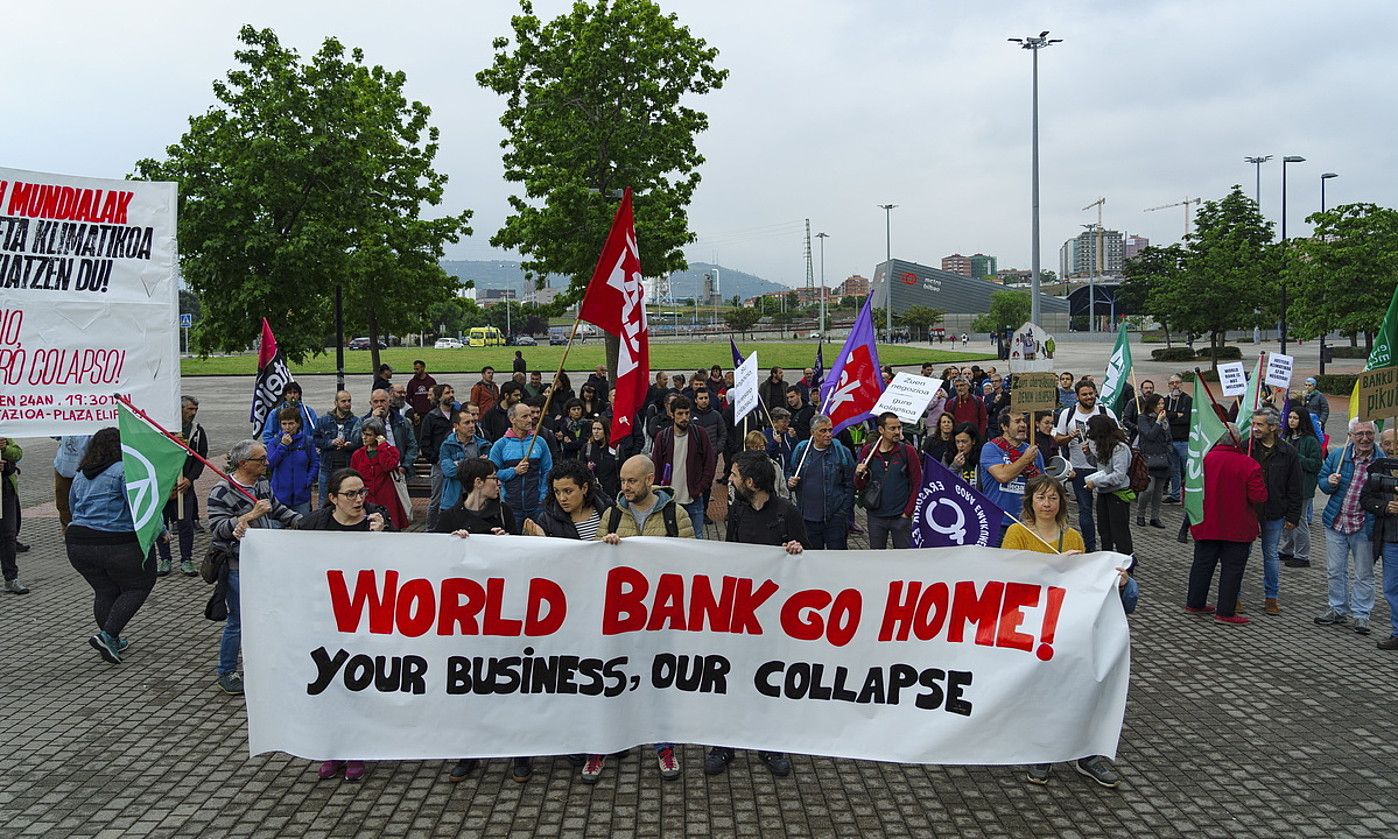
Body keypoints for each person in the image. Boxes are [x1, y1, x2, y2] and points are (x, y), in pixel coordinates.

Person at [1005, 477, 1136, 788]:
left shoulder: (1072, 536)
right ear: (1030, 502)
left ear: (1061, 503)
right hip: (1032, 626)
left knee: (1076, 687)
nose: (1047, 504)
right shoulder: (1017, 533)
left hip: (1068, 627)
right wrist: (1052, 567)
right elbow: (1009, 577)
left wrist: (1112, 578)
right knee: (1040, 689)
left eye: (1053, 498)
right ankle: (1042, 750)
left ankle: (1086, 752)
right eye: (1041, 498)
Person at [706, 451, 808, 778]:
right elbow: (733, 552)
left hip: (776, 615)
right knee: (732, 675)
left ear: (750, 482)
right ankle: (724, 743)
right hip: (742, 611)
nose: (730, 480)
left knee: (768, 678)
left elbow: (811, 559)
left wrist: (797, 551)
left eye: (734, 475)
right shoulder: (736, 510)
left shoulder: (787, 512)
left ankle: (769, 744)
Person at [594, 455, 693, 782]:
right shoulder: (611, 516)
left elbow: (691, 559)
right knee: (611, 680)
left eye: (632, 481)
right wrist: (606, 548)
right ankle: (602, 745)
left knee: (658, 682)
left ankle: (663, 745)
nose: (625, 487)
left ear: (650, 480)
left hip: (659, 616)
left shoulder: (674, 515)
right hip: (619, 616)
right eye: (622, 481)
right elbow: (593, 561)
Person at [298, 468, 389, 782]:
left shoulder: (376, 520)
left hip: (363, 619)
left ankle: (356, 750)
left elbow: (398, 565)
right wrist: (244, 530)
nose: (359, 499)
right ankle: (330, 750)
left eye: (362, 492)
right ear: (332, 498)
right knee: (328, 688)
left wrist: (381, 538)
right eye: (351, 494)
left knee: (357, 686)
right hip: (324, 619)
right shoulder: (312, 525)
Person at [208, 439, 304, 694]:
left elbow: (277, 510)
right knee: (239, 620)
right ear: (243, 464)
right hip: (237, 566)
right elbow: (218, 529)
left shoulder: (261, 484)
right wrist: (249, 516)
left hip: (265, 560)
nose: (267, 463)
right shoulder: (221, 491)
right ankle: (226, 671)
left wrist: (305, 524)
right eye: (261, 459)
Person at [64, 428, 157, 660]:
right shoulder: (125, 471)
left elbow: (73, 508)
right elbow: (140, 508)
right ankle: (107, 635)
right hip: (116, 542)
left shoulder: (80, 474)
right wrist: (160, 530)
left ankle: (112, 640)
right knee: (139, 586)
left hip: (77, 543)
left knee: (105, 589)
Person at [1186, 426, 1268, 626]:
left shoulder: (1203, 461)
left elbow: (1190, 489)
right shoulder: (1249, 464)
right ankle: (1225, 611)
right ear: (1237, 440)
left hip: (1206, 523)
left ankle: (1195, 602)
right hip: (1237, 526)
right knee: (1232, 569)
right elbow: (1259, 496)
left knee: (1202, 565)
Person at [1315, 419, 1378, 633]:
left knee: (1364, 573)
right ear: (1350, 436)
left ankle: (1361, 614)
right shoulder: (1338, 455)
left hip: (1364, 526)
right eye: (1359, 434)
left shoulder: (1381, 461)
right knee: (1335, 570)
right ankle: (1337, 608)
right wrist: (1328, 482)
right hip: (1336, 522)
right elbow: (1322, 480)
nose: (1364, 438)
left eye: (1369, 433)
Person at [1245, 407, 1303, 616]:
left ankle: (1271, 597)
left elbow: (1295, 486)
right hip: (1249, 511)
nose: (1255, 429)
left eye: (1259, 424)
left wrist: (1293, 516)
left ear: (1273, 426)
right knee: (1243, 554)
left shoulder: (1288, 452)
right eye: (1253, 424)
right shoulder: (1247, 447)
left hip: (1275, 511)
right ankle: (1235, 596)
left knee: (1270, 554)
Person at [1053, 379, 1120, 553]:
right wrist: (1069, 437)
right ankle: (1090, 547)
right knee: (1085, 509)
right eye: (1084, 394)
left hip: (1104, 467)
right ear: (1077, 396)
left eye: (1091, 394)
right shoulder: (1068, 414)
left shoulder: (1106, 411)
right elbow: (1058, 439)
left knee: (1108, 511)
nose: (1089, 397)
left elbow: (1119, 435)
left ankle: (1111, 547)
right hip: (1079, 468)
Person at [855, 412, 923, 550]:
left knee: (903, 561)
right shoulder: (868, 451)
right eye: (892, 428)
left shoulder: (908, 451)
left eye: (899, 427)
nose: (897, 431)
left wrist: (907, 513)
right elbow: (860, 486)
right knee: (878, 560)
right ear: (881, 430)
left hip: (900, 517)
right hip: (876, 517)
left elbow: (918, 483)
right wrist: (858, 474)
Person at [651, 396, 716, 540]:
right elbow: (656, 467)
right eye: (680, 414)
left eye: (687, 413)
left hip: (694, 500)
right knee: (672, 539)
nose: (684, 417)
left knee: (697, 537)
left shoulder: (700, 434)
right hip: (670, 501)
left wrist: (700, 487)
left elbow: (709, 464)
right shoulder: (663, 437)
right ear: (672, 414)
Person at [157, 396, 208, 577]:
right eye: (189, 409)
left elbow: (201, 457)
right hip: (164, 485)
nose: (193, 413)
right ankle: (165, 559)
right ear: (180, 409)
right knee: (161, 523)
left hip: (184, 486)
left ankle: (186, 559)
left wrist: (190, 478)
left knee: (185, 523)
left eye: (195, 410)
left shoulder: (197, 431)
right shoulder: (162, 428)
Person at [788, 415, 855, 549]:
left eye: (830, 430)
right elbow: (790, 472)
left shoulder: (842, 453)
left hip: (834, 518)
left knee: (835, 559)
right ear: (812, 433)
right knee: (812, 558)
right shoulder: (802, 451)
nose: (828, 434)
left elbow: (850, 484)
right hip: (808, 518)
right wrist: (790, 483)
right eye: (823, 431)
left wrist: (843, 513)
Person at [978, 409, 1045, 531]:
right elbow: (1002, 476)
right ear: (1004, 426)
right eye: (1017, 421)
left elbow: (1041, 484)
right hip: (997, 521)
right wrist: (1025, 459)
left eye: (1024, 421)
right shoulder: (991, 448)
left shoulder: (1033, 451)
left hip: (1026, 521)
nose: (1023, 425)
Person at [489, 402, 554, 526]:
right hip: (511, 506)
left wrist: (543, 495)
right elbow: (492, 474)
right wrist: (514, 471)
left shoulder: (540, 442)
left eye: (530, 416)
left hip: (537, 506)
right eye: (525, 417)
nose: (530, 420)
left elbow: (548, 470)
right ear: (512, 419)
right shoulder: (500, 445)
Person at [1360, 450, 1398, 650]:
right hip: (1391, 539)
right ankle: (1397, 633)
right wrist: (1383, 506)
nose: (1391, 449)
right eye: (1387, 444)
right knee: (1392, 588)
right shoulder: (1378, 469)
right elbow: (1365, 499)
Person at [1083, 413, 1134, 560]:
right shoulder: (1104, 446)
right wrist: (1088, 455)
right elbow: (1101, 467)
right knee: (1104, 531)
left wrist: (1095, 483)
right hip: (1104, 494)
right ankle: (1106, 561)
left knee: (1120, 533)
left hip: (1117, 495)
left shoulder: (1120, 448)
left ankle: (1127, 564)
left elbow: (1118, 475)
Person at [1280, 406, 1323, 569]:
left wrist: (1296, 456)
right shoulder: (1288, 438)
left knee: (1300, 520)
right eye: (1290, 417)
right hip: (1287, 486)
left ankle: (1302, 555)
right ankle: (1287, 549)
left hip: (1303, 487)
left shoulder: (1311, 441)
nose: (1291, 421)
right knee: (1288, 520)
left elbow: (1316, 465)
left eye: (1295, 418)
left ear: (1302, 420)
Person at [525, 458, 610, 540]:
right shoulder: (547, 520)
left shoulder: (607, 509)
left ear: (584, 488)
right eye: (557, 492)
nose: (562, 498)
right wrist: (541, 538)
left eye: (568, 491)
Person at [350, 419, 406, 530]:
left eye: (368, 435)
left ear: (378, 436)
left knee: (389, 528)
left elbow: (388, 466)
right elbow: (353, 476)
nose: (364, 437)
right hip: (366, 498)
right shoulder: (358, 454)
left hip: (386, 496)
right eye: (363, 434)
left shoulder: (391, 451)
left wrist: (382, 448)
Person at [419, 384, 460, 531]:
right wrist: (435, 459)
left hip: (458, 462)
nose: (451, 395)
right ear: (439, 397)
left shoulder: (458, 414)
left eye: (452, 391)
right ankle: (430, 529)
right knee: (436, 498)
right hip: (439, 464)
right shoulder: (431, 417)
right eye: (447, 393)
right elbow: (425, 442)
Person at [267, 405, 318, 516]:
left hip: (301, 495)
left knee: (302, 526)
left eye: (291, 423)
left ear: (298, 424)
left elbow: (314, 463)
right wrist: (282, 446)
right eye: (284, 424)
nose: (287, 427)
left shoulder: (307, 442)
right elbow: (270, 464)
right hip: (280, 495)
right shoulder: (274, 443)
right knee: (278, 527)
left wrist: (308, 480)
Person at [313, 391, 362, 507]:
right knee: (324, 501)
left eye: (349, 401)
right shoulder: (323, 421)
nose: (347, 404)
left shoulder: (356, 422)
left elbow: (361, 443)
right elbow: (315, 440)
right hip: (327, 468)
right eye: (343, 401)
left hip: (347, 467)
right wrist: (330, 442)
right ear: (336, 403)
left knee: (348, 500)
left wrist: (350, 445)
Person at [439, 408, 491, 512]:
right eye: (467, 423)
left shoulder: (484, 445)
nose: (472, 425)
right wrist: (476, 463)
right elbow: (449, 471)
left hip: (478, 501)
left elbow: (487, 471)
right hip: (453, 500)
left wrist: (460, 465)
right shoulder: (447, 445)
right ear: (456, 426)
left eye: (473, 422)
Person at [362, 388, 419, 478]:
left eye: (383, 401)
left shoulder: (402, 421)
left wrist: (405, 466)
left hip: (398, 470)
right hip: (373, 471)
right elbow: (355, 441)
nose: (379, 405)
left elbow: (412, 445)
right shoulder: (363, 421)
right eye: (376, 402)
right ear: (371, 404)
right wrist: (372, 420)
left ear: (389, 402)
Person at [1134, 394, 1171, 529]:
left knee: (1158, 491)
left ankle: (1155, 517)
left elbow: (1168, 436)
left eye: (1162, 404)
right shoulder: (1143, 418)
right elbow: (1150, 435)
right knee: (1148, 489)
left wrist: (1169, 450)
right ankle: (1140, 514)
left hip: (1162, 458)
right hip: (1148, 458)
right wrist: (1158, 422)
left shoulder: (1164, 419)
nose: (1161, 407)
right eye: (1159, 404)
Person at [52, 434, 93, 534]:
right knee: (63, 503)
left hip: (86, 469)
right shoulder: (65, 420)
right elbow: (54, 434)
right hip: (64, 468)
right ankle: (67, 531)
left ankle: (86, 530)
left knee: (87, 503)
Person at [259, 381, 318, 450]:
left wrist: (312, 446)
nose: (292, 395)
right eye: (289, 393)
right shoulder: (276, 412)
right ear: (285, 395)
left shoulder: (308, 412)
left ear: (299, 395)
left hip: (303, 448)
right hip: (283, 447)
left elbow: (315, 432)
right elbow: (267, 434)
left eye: (295, 393)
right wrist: (275, 447)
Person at [1162, 375, 1193, 503]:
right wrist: (1176, 415)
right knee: (1174, 470)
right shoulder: (1165, 400)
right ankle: (1175, 495)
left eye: (1177, 382)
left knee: (1188, 470)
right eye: (1172, 383)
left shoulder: (1187, 400)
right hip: (1170, 441)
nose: (1175, 385)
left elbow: (1186, 419)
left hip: (1184, 440)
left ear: (1181, 384)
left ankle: (1190, 495)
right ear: (1168, 385)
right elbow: (1163, 416)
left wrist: (1170, 417)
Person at [944, 423, 981, 487]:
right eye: (957, 442)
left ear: (973, 441)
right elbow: (943, 481)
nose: (960, 445)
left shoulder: (982, 457)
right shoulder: (947, 456)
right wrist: (954, 466)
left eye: (964, 442)